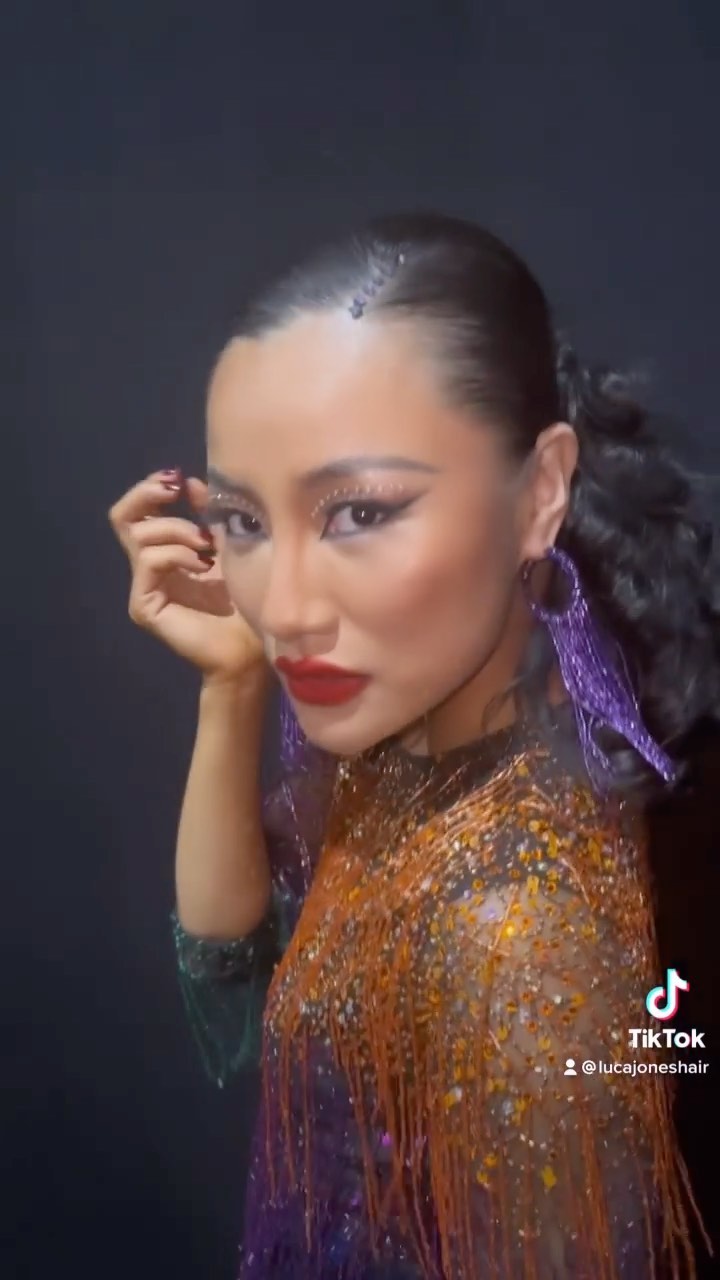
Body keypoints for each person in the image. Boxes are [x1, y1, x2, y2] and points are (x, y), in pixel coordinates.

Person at [108, 212, 717, 1278]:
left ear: (540, 492)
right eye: (245, 521)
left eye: (358, 513)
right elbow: (235, 981)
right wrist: (232, 687)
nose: (284, 607)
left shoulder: (518, 933)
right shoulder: (413, 729)